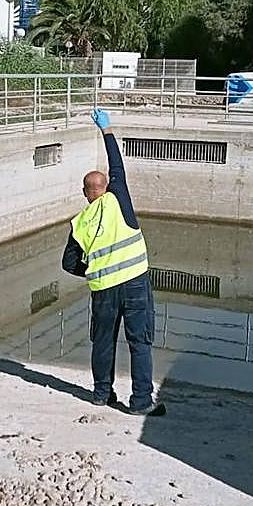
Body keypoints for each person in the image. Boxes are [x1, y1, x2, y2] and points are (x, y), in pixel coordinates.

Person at [61, 109, 165, 416]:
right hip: (134, 283)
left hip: (103, 288)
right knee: (139, 342)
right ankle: (140, 402)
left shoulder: (79, 222)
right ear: (106, 187)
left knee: (103, 341)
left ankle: (101, 394)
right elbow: (116, 164)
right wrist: (106, 129)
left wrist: (92, 269)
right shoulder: (118, 198)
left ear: (84, 193)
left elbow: (68, 264)